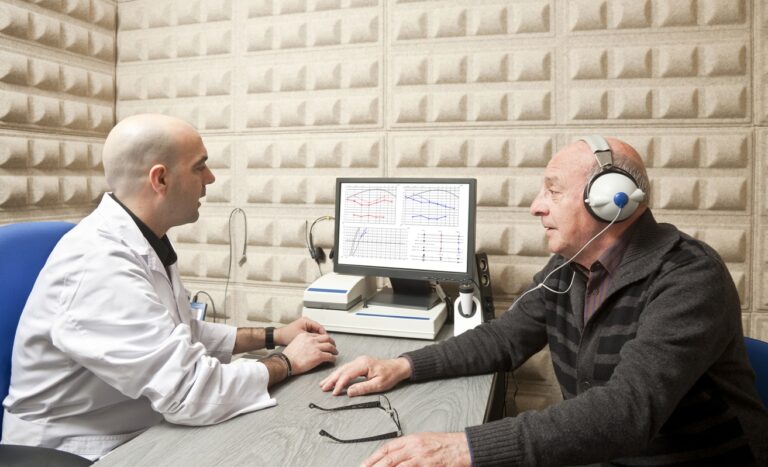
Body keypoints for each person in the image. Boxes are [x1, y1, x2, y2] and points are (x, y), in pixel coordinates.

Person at [320, 136, 768, 466]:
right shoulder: (566, 270)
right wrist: (404, 365)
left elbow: (627, 412)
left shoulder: (688, 276)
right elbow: (505, 338)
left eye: (552, 190)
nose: (536, 206)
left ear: (611, 200)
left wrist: (464, 446)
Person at [1, 114, 338, 461]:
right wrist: (287, 362)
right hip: (72, 450)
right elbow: (191, 393)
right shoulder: (99, 266)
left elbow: (179, 331)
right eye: (199, 167)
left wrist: (273, 335)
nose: (210, 178)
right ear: (160, 178)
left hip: (132, 426)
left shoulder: (141, 241)